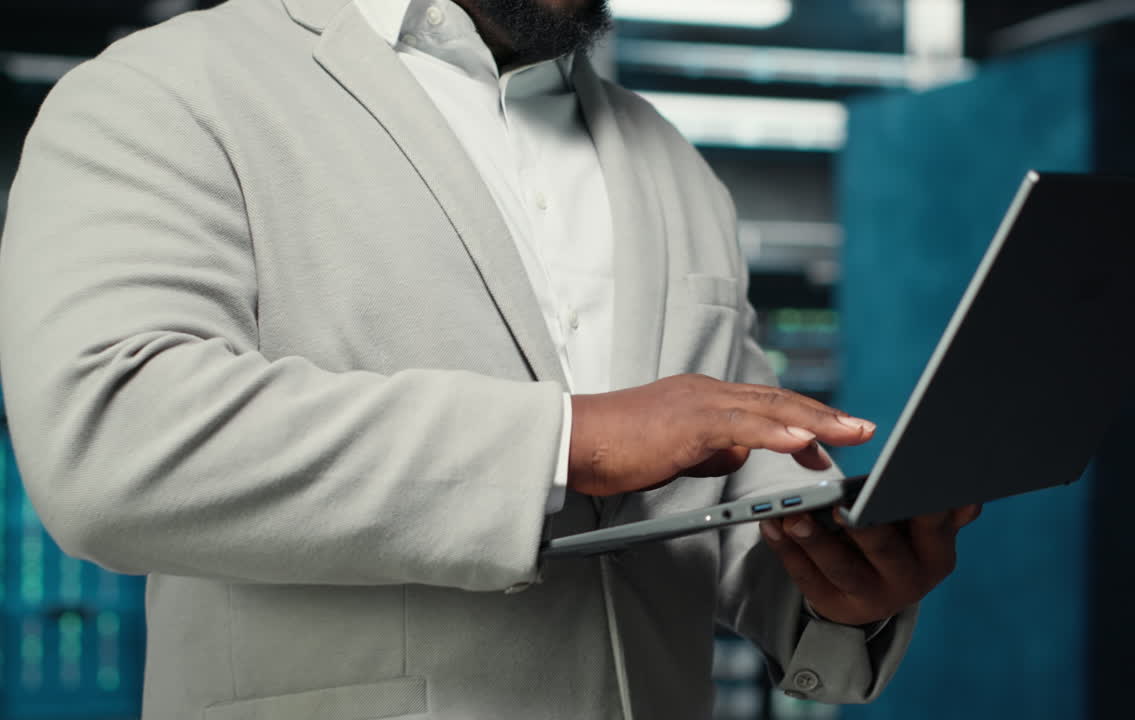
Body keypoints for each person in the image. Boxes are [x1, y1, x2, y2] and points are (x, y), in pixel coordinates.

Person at [0, 0, 980, 717]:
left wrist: (828, 584)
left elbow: (697, 495)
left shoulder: (669, 162)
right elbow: (112, 441)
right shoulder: (168, 89)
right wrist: (575, 438)